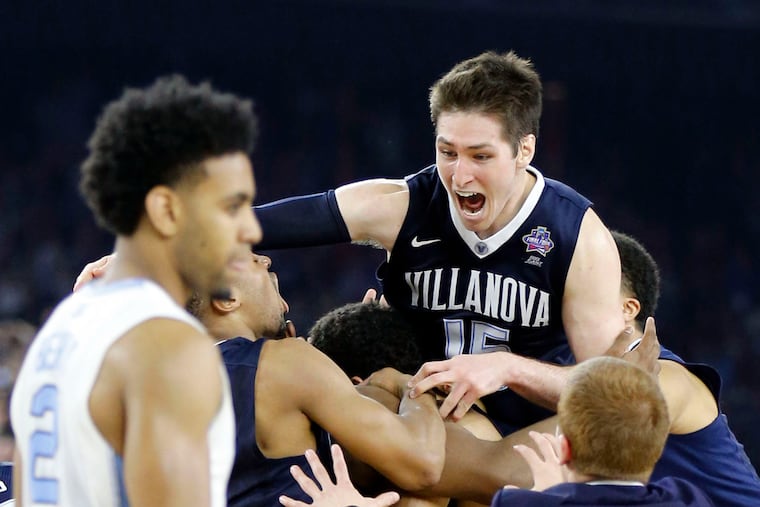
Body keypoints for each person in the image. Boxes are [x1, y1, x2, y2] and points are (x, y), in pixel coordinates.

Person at [251, 50, 625, 432]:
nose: (460, 177)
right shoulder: (402, 206)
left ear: (523, 151)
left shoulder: (578, 235)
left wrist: (510, 369)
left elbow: (611, 392)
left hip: (530, 438)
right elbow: (245, 226)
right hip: (420, 420)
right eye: (448, 152)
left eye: (480, 156)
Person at [10, 75, 260, 506]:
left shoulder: (55, 332)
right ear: (165, 209)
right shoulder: (167, 345)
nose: (252, 229)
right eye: (231, 207)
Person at [186, 252, 447, 506]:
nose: (265, 260)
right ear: (226, 297)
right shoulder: (282, 362)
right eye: (249, 257)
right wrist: (412, 383)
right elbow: (424, 463)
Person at [490, 357, 714, 506]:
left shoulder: (520, 502)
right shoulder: (686, 498)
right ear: (657, 450)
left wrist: (552, 494)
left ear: (564, 449)